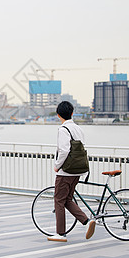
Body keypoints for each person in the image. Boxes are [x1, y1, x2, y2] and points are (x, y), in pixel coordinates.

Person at [47, 101, 96, 242]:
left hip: (65, 172)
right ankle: (86, 222)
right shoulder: (78, 129)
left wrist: (57, 165)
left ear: (58, 115)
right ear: (72, 113)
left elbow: (63, 150)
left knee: (59, 200)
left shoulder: (63, 130)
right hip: (77, 170)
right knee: (67, 199)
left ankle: (60, 233)